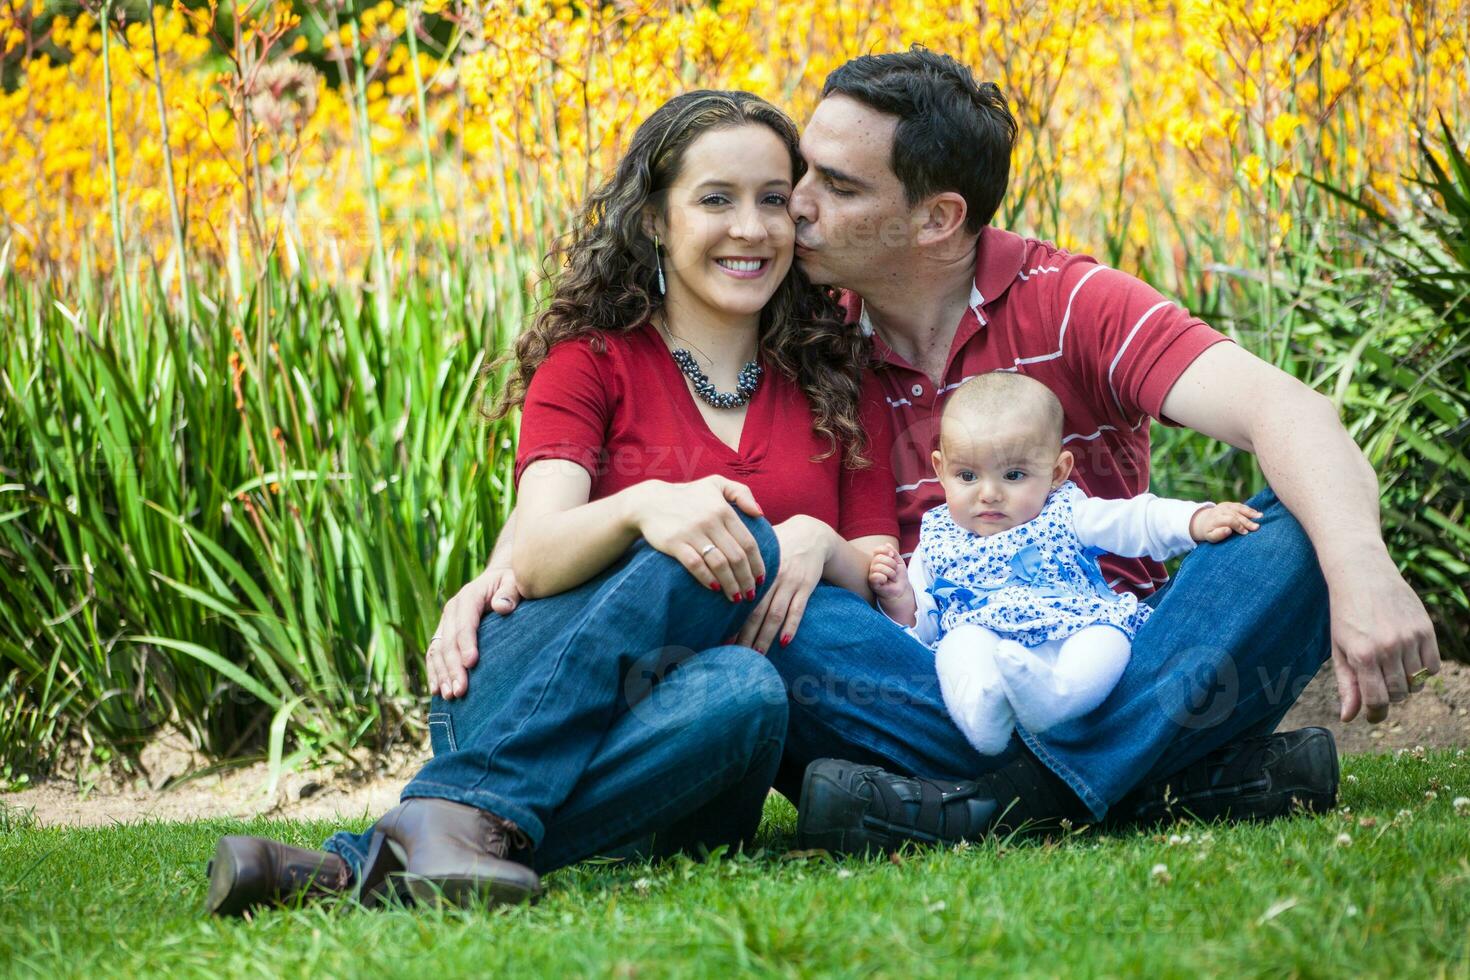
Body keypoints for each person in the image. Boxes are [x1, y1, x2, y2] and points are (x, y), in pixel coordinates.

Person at [428, 50, 1441, 856]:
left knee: (1296, 533)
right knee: (782, 599)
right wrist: (510, 569)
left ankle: (1004, 802)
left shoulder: (1068, 300)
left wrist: (1366, 569)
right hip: (938, 687)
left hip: (1120, 658)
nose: (791, 212)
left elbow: (1288, 407)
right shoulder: (811, 335)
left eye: (826, 185)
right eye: (796, 181)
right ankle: (1161, 781)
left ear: (938, 217)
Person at [204, 89, 902, 915]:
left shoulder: (834, 379)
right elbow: (532, 554)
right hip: (540, 691)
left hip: (689, 733)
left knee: (749, 689)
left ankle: (396, 849)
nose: (750, 227)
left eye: (774, 201)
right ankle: (450, 821)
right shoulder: (592, 363)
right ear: (653, 219)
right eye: (716, 199)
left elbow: (881, 586)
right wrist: (644, 504)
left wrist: (817, 538)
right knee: (712, 532)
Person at [869, 372, 1262, 757]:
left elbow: (1133, 520)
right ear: (940, 470)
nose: (988, 494)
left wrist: (1195, 521)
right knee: (958, 645)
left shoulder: (1065, 513)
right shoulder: (936, 538)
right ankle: (982, 716)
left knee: (1108, 639)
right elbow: (925, 624)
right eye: (967, 475)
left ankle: (1058, 698)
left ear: (1056, 473)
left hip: (1074, 631)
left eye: (1014, 475)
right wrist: (900, 597)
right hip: (988, 644)